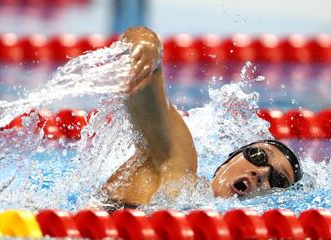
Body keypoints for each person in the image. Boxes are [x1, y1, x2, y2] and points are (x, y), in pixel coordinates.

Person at [100, 26, 302, 211]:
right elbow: (148, 85)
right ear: (228, 161)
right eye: (258, 156)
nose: (262, 173)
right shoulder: (176, 168)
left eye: (278, 179)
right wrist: (146, 45)